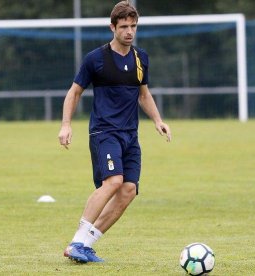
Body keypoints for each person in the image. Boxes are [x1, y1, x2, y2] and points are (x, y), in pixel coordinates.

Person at [58, 0, 171, 263]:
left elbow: (143, 94)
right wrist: (66, 124)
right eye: (124, 27)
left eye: (133, 26)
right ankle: (77, 240)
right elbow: (74, 92)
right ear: (113, 27)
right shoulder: (95, 59)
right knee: (114, 182)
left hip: (131, 135)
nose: (129, 31)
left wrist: (157, 120)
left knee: (129, 190)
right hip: (104, 133)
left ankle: (85, 244)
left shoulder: (141, 58)